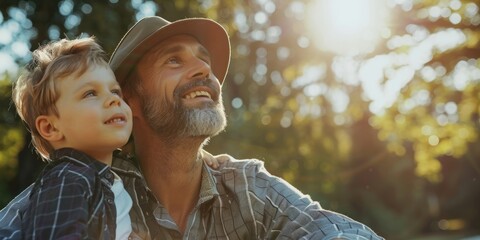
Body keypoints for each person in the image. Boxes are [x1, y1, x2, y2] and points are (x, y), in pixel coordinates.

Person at [1, 16, 384, 239]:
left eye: (205, 61)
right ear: (130, 98)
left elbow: (336, 233)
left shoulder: (247, 186)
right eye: (173, 60)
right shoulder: (83, 186)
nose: (205, 70)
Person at [11, 37, 134, 239]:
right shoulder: (68, 179)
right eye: (90, 93)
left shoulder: (107, 182)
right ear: (50, 127)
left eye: (115, 91)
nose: (114, 99)